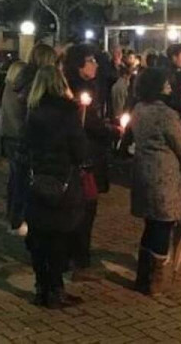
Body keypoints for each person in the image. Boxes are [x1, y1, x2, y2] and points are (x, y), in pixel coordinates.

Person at [24, 65, 87, 309]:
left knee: (39, 236)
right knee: (59, 236)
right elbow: (79, 151)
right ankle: (56, 289)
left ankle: (41, 287)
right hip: (63, 181)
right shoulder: (68, 112)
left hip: (37, 179)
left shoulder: (33, 111)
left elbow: (25, 146)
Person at [130, 68, 181, 296]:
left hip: (143, 173)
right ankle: (154, 280)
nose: (169, 86)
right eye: (165, 82)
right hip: (163, 176)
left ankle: (142, 276)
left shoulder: (138, 109)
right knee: (163, 226)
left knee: (151, 224)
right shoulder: (166, 114)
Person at [64, 45, 121, 279]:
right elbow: (86, 123)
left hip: (89, 155)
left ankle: (77, 255)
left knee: (84, 209)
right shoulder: (75, 91)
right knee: (84, 209)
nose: (95, 64)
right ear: (79, 65)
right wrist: (111, 131)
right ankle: (79, 259)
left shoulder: (92, 86)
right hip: (83, 159)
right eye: (90, 61)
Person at [0, 61, 29, 236]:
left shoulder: (7, 89)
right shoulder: (17, 92)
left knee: (14, 178)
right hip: (16, 137)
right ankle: (16, 219)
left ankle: (11, 214)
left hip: (8, 136)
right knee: (19, 179)